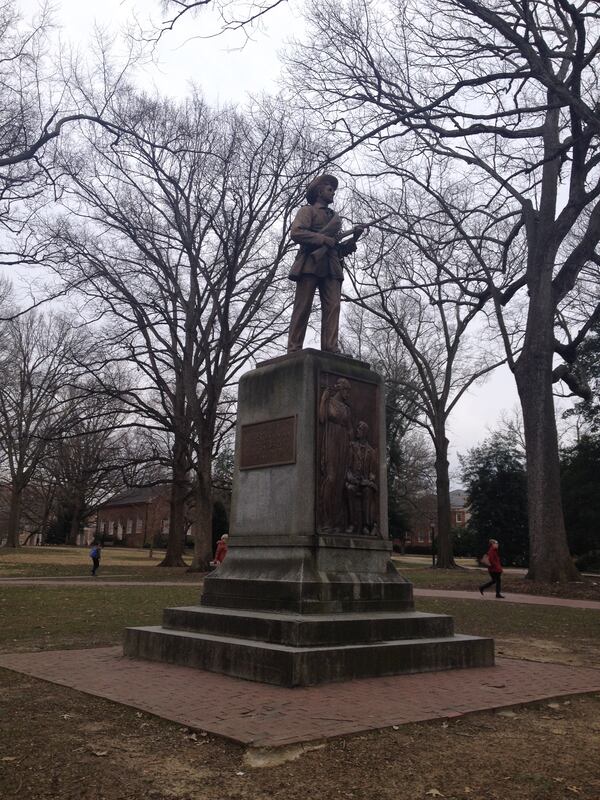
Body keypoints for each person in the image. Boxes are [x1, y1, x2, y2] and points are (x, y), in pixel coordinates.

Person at [287, 174, 366, 353]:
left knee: (333, 308)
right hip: (310, 264)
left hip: (331, 266)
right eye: (330, 189)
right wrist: (323, 238)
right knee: (303, 307)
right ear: (319, 191)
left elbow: (337, 249)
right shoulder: (307, 211)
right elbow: (297, 233)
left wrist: (354, 238)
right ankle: (294, 348)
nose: (333, 193)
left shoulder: (334, 218)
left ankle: (331, 348)